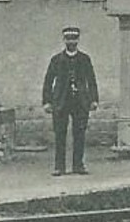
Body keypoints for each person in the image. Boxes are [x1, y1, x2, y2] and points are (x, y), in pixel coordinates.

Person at [42, 26, 99, 176]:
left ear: (78, 40)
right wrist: (47, 101)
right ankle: (59, 167)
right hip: (61, 101)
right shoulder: (56, 60)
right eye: (68, 39)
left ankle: (78, 165)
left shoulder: (84, 59)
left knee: (79, 134)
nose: (71, 42)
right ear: (64, 40)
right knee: (60, 134)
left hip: (80, 102)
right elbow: (48, 81)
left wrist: (94, 99)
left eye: (74, 39)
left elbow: (91, 80)